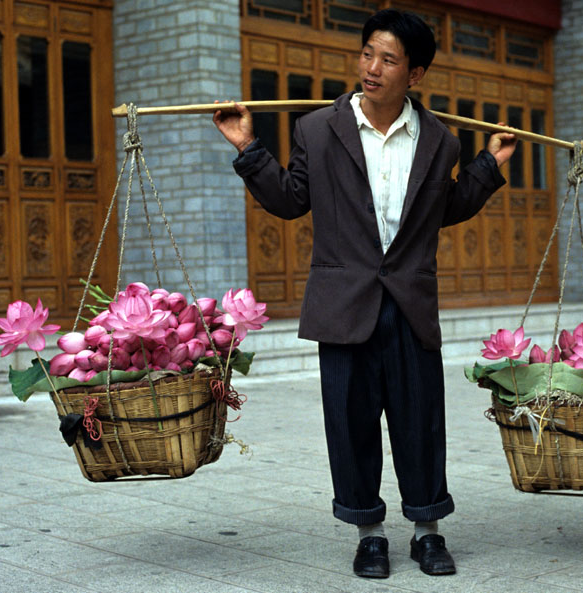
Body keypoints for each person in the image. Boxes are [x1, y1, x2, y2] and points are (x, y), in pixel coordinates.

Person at [213, 9, 517, 579]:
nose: (372, 69)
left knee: (420, 420)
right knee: (350, 423)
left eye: (389, 59)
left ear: (416, 73)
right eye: (367, 54)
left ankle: (428, 531)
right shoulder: (317, 130)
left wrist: (487, 167)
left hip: (409, 303)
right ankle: (370, 534)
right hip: (343, 303)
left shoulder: (439, 139)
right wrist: (249, 148)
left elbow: (441, 211)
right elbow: (289, 199)